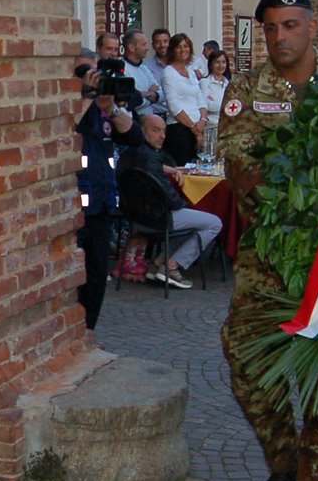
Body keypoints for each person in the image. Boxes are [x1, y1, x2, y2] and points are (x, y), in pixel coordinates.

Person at [218, 0, 318, 481]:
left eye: (290, 25)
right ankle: (285, 458)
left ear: (312, 27)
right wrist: (310, 184)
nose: (279, 37)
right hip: (268, 255)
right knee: (244, 359)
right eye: (270, 27)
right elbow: (240, 168)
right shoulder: (245, 90)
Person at [73, 51, 143, 329]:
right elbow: (63, 130)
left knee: (97, 273)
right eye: (83, 73)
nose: (91, 78)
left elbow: (135, 137)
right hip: (74, 207)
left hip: (101, 204)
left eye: (94, 72)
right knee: (73, 277)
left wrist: (111, 107)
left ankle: (89, 329)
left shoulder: (103, 108)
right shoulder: (68, 105)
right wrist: (85, 97)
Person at [115, 114, 221, 289]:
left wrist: (169, 169)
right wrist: (190, 205)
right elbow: (172, 200)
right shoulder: (152, 158)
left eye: (164, 131)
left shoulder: (130, 153)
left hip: (134, 217)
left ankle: (157, 263)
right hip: (157, 218)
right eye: (156, 130)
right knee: (214, 223)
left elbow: (148, 166)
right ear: (141, 131)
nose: (162, 136)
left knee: (192, 219)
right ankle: (171, 266)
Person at [159, 33, 208, 165]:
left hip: (197, 127)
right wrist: (194, 128)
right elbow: (174, 106)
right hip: (179, 130)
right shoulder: (168, 73)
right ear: (172, 50)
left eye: (185, 46)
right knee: (183, 170)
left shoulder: (191, 72)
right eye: (178, 47)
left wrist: (202, 121)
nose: (183, 50)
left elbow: (200, 100)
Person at [121, 29, 163, 116]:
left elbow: (162, 94)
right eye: (143, 44)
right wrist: (151, 96)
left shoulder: (144, 69)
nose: (147, 48)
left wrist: (144, 94)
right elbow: (131, 102)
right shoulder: (123, 70)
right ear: (132, 47)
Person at [200, 49, 231, 159]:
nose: (220, 65)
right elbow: (204, 105)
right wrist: (221, 106)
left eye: (223, 62)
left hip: (226, 129)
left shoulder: (229, 84)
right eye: (217, 62)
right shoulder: (205, 83)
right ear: (211, 64)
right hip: (211, 128)